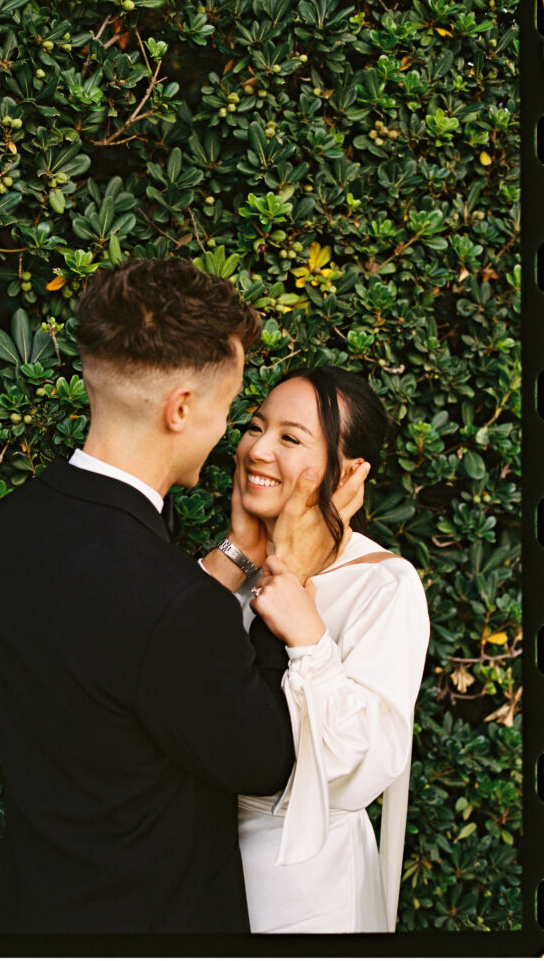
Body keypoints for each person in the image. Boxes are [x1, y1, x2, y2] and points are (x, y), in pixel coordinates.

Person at [0, 259, 365, 934]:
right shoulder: (173, 603)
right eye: (231, 409)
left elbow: (125, 644)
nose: (230, 435)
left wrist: (237, 555)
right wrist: (287, 569)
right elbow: (265, 758)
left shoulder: (9, 528)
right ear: (182, 408)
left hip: (28, 911)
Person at [202, 366, 430, 933]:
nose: (258, 450)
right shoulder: (230, 570)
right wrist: (236, 557)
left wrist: (308, 638)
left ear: (350, 473)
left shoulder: (383, 584)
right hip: (194, 858)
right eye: (257, 427)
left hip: (302, 886)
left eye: (291, 438)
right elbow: (152, 667)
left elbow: (367, 764)